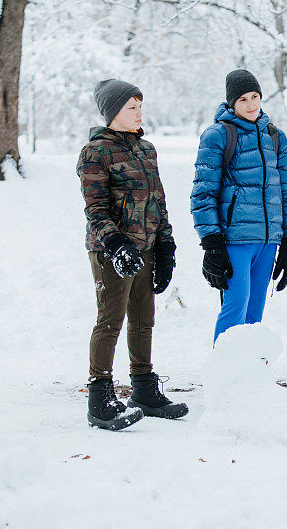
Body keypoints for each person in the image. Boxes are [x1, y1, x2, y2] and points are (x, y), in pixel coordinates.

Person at [77, 78, 188, 431]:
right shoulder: (95, 152)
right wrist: (116, 244)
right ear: (113, 113)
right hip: (111, 250)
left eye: (141, 106)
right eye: (131, 107)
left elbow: (159, 200)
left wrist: (166, 244)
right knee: (110, 320)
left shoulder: (147, 149)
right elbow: (95, 209)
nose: (139, 112)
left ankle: (143, 388)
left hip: (147, 246)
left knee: (144, 319)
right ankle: (100, 397)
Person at [191, 69, 287, 344]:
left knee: (254, 314)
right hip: (234, 239)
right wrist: (212, 242)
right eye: (243, 99)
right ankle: (223, 375)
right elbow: (203, 192)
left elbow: (286, 192)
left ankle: (249, 376)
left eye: (255, 97)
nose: (251, 104)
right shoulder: (218, 135)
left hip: (268, 239)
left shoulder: (275, 137)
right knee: (234, 308)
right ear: (231, 103)